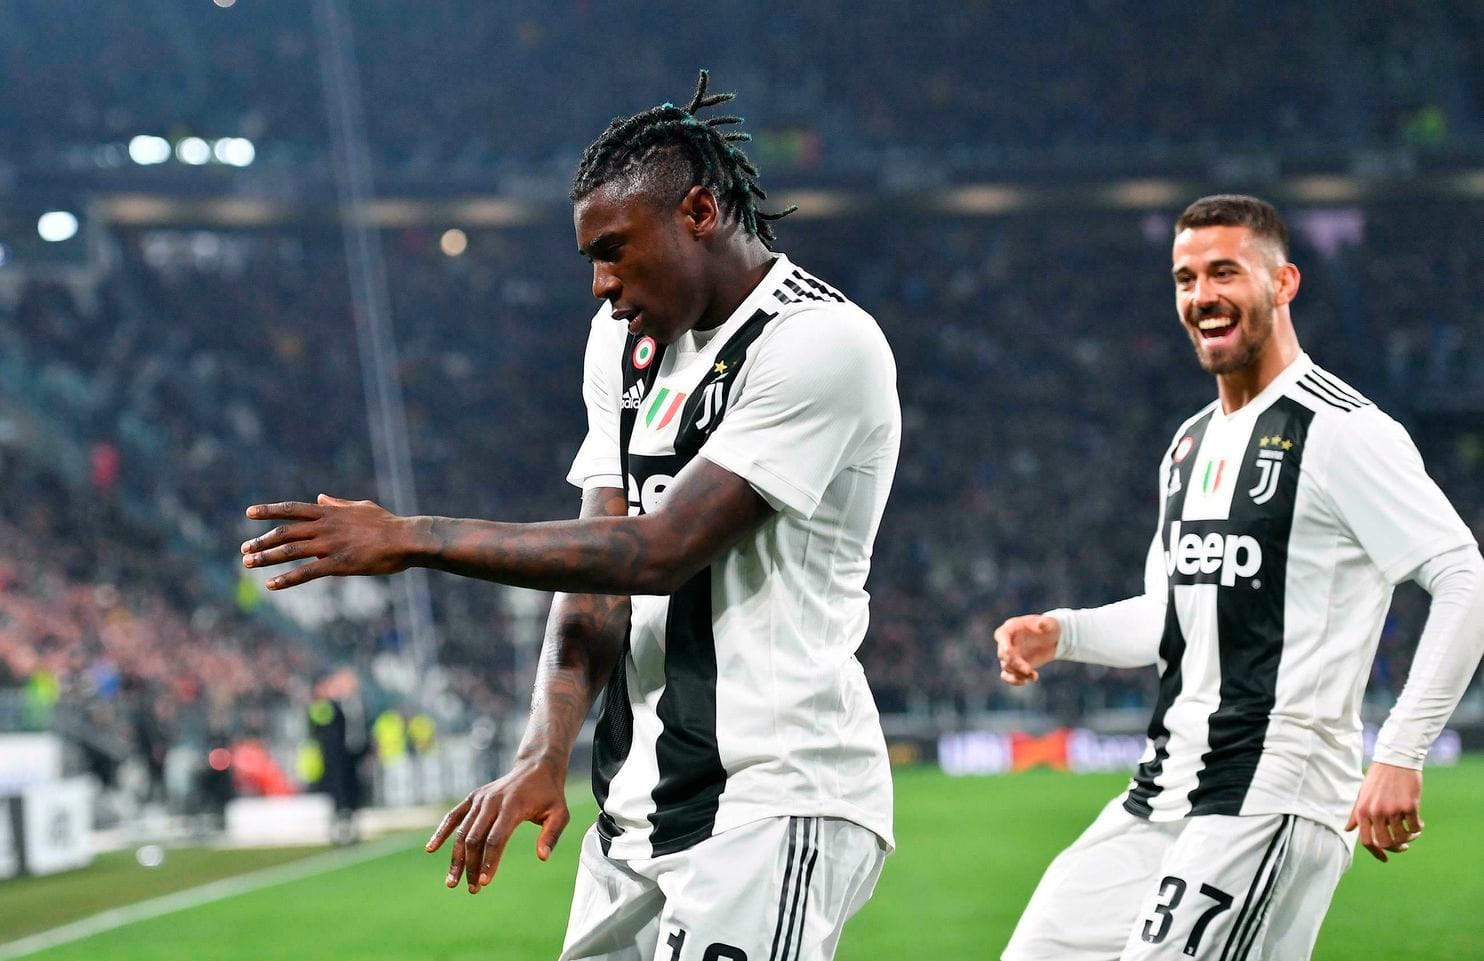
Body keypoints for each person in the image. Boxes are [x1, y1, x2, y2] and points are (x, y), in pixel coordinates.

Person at [241, 71, 898, 960]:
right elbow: (596, 580)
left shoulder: (819, 343)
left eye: (615, 250)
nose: (598, 283)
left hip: (773, 797)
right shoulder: (622, 347)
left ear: (699, 212)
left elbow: (659, 551)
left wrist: (412, 537)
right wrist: (543, 751)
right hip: (634, 811)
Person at [994, 194, 1484, 961]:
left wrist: (1401, 748)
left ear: (1283, 282)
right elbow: (1172, 616)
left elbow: (1463, 575)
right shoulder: (1189, 444)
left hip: (1272, 794)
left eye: (1224, 272)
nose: (1202, 295)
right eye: (1186, 278)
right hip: (1162, 790)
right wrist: (1065, 632)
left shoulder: (1342, 431)